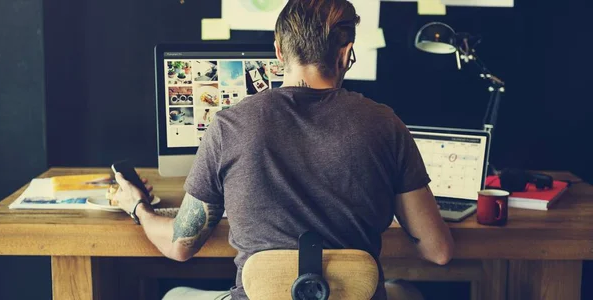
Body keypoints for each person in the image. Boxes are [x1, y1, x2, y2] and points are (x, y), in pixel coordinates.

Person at [112, 0, 454, 299]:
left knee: (174, 295)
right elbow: (438, 251)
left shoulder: (230, 125)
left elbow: (179, 246)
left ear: (278, 51)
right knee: (406, 291)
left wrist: (138, 207)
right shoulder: (384, 124)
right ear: (346, 52)